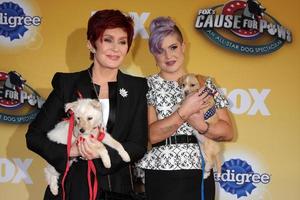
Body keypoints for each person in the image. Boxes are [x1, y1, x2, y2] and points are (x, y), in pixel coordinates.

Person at [26, 9, 148, 200]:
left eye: (122, 42)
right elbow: (34, 136)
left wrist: (101, 153)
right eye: (107, 40)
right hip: (73, 187)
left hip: (118, 188)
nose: (116, 48)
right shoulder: (67, 84)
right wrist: (71, 151)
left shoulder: (137, 87)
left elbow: (138, 144)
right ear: (91, 44)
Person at [136, 16, 234, 200]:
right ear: (153, 55)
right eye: (160, 50)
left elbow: (228, 132)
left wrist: (202, 126)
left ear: (183, 47)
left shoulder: (206, 83)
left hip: (200, 170)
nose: (168, 56)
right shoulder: (145, 86)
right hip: (161, 172)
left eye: (173, 47)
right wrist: (184, 112)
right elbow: (151, 135)